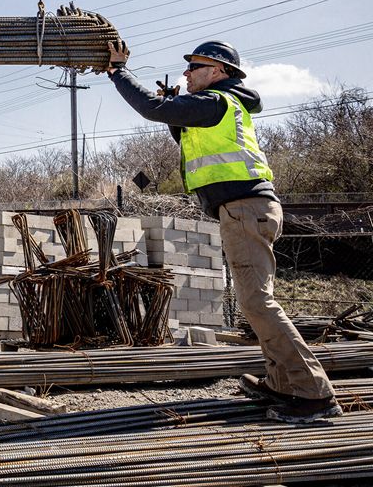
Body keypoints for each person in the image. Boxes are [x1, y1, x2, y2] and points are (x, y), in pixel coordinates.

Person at [106, 39, 341, 424]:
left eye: (193, 68)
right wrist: (174, 112)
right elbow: (181, 130)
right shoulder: (221, 106)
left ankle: (313, 393)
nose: (185, 74)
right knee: (254, 301)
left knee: (257, 302)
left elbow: (151, 107)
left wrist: (119, 72)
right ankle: (283, 383)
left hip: (245, 208)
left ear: (217, 71)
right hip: (247, 208)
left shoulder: (216, 101)